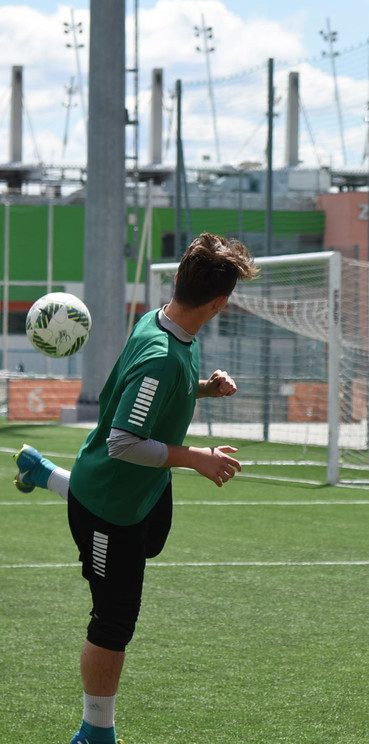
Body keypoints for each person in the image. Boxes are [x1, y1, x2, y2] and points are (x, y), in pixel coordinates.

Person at [13, 232, 257, 744]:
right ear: (220, 302)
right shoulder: (160, 355)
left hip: (142, 491)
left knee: (153, 542)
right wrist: (195, 459)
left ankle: (43, 473)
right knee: (114, 618)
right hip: (107, 504)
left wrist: (205, 388)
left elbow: (159, 386)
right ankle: (95, 731)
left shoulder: (163, 322)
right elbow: (124, 442)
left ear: (178, 283)